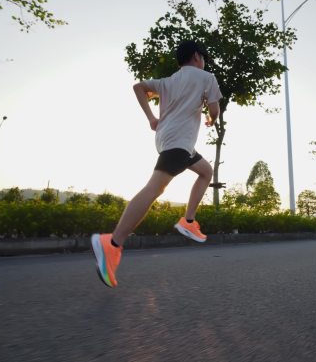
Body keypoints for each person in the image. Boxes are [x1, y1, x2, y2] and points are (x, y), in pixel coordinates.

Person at [90, 40, 222, 288]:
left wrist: (152, 118)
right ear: (196, 56)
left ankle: (188, 222)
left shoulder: (169, 81)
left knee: (205, 171)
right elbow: (214, 109)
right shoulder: (207, 77)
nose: (204, 61)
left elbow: (138, 87)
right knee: (155, 188)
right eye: (203, 57)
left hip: (168, 140)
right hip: (179, 142)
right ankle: (113, 243)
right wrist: (211, 119)